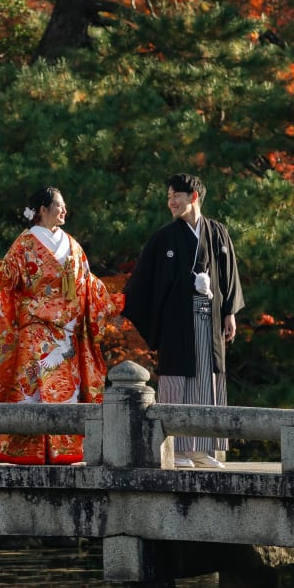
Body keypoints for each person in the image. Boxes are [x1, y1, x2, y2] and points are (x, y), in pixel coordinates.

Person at [0, 186, 124, 464]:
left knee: (67, 391)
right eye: (59, 205)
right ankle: (29, 451)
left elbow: (88, 284)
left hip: (67, 333)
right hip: (35, 330)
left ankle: (64, 449)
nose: (64, 210)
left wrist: (113, 304)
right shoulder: (25, 244)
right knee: (32, 391)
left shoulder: (72, 245)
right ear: (43, 209)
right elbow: (4, 281)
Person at [121, 173, 244, 469]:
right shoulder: (164, 237)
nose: (171, 202)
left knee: (208, 380)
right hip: (177, 321)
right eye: (168, 197)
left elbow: (229, 274)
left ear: (194, 197)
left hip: (211, 319)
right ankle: (175, 448)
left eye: (175, 195)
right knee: (177, 381)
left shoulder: (217, 232)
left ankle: (202, 450)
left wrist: (229, 312)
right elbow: (143, 279)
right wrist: (124, 305)